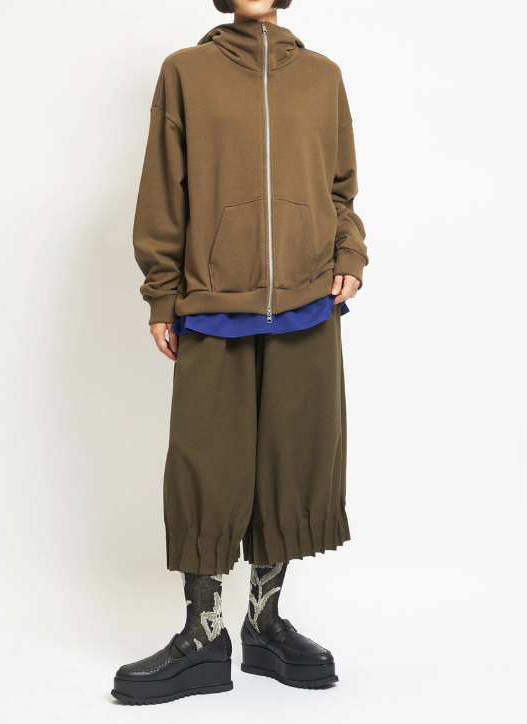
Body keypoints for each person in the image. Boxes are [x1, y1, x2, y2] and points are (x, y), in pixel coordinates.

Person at [111, 0, 368, 705]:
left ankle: (265, 623)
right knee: (206, 461)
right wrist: (162, 294)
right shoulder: (185, 72)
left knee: (293, 456)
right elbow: (162, 191)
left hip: (307, 299)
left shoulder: (322, 76)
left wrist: (349, 254)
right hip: (212, 300)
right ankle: (202, 635)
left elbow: (340, 189)